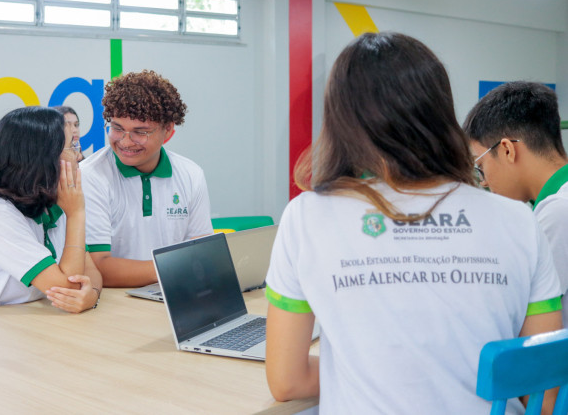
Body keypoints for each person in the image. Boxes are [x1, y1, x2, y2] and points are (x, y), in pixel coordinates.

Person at [264, 32, 562, 414]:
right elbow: (544, 391)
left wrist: (364, 367)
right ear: (441, 112)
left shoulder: (306, 217)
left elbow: (287, 382)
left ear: (342, 120)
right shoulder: (519, 219)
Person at [0, 106, 102, 314]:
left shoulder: (52, 200)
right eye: (71, 147)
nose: (78, 156)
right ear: (43, 160)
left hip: (30, 320)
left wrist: (91, 294)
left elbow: (89, 268)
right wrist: (76, 214)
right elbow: (67, 288)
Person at [81, 70, 213, 287]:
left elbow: (202, 250)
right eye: (117, 128)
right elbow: (98, 267)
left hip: (176, 293)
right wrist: (175, 268)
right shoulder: (90, 176)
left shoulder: (191, 174)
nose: (125, 142)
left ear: (168, 131)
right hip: (114, 303)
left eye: (140, 132)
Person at [464, 81, 568, 327]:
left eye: (481, 167)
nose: (485, 182)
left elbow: (520, 312)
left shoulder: (558, 211)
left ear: (508, 150)